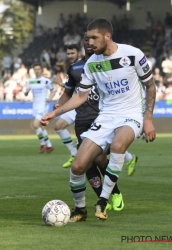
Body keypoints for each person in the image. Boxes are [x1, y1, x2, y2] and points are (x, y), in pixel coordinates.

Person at [41, 18, 156, 221]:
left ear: (107, 36)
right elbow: (81, 96)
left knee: (119, 146)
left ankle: (103, 201)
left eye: (94, 38)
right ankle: (80, 210)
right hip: (106, 116)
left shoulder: (133, 54)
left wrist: (148, 119)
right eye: (87, 38)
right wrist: (55, 113)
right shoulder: (92, 64)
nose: (89, 43)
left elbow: (150, 86)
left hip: (132, 114)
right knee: (78, 166)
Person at [53, 44, 80, 168]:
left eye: (72, 53)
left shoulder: (86, 65)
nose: (69, 56)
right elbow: (70, 89)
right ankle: (74, 153)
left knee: (95, 142)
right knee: (59, 126)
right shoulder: (72, 68)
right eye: (68, 54)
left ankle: (128, 157)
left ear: (79, 53)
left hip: (87, 106)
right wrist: (60, 103)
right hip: (75, 105)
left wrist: (61, 84)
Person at [25, 63, 56, 154]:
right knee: (42, 127)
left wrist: (50, 98)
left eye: (39, 69)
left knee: (35, 124)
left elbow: (53, 91)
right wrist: (26, 92)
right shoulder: (30, 81)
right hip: (35, 106)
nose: (37, 71)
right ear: (33, 71)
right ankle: (49, 146)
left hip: (43, 106)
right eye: (35, 69)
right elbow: (26, 92)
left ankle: (43, 144)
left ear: (41, 70)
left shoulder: (46, 81)